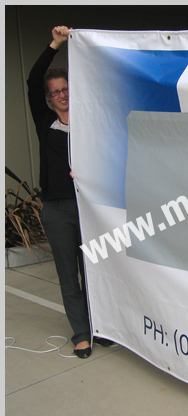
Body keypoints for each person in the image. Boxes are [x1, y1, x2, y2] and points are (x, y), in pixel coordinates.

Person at [27, 26, 114, 358]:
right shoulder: (45, 124)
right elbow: (33, 82)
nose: (62, 94)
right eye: (56, 91)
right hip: (58, 208)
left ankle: (99, 326)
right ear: (49, 98)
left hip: (90, 207)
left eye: (66, 89)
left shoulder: (90, 123)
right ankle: (81, 331)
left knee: (94, 271)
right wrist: (56, 44)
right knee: (69, 273)